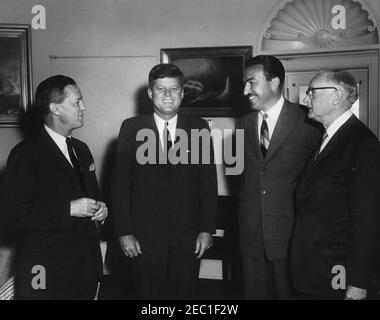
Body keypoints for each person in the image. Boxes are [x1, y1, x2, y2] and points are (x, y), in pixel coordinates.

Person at [111, 63, 218, 299]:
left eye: (174, 89)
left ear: (182, 92)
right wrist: (124, 232)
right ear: (150, 93)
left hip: (187, 236)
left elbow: (208, 184)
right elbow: (120, 186)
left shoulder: (199, 127)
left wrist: (207, 229)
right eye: (161, 89)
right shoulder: (131, 128)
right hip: (144, 238)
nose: (168, 95)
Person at [0, 75, 108, 299]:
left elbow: (93, 197)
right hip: (45, 272)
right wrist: (67, 209)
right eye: (77, 102)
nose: (84, 107)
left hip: (85, 269)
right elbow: (12, 215)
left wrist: (101, 210)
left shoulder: (82, 149)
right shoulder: (26, 154)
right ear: (55, 109)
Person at [236, 55, 321, 299]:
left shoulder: (309, 121)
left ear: (274, 83)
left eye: (251, 83)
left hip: (291, 238)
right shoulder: (243, 123)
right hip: (250, 238)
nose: (245, 90)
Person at [291, 70, 380, 299]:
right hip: (314, 270)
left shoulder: (363, 144)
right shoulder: (325, 138)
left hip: (335, 274)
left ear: (336, 96)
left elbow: (367, 220)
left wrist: (358, 283)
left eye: (312, 92)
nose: (305, 99)